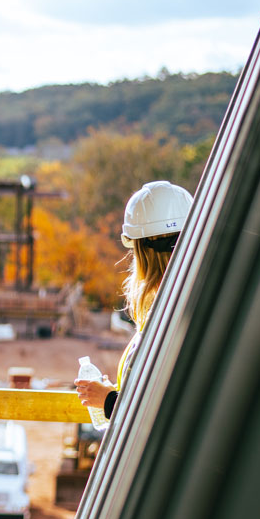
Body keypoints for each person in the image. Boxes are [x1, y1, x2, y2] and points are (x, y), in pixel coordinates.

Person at [75, 180, 192, 422]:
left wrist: (109, 401)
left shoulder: (176, 315)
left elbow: (168, 410)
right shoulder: (185, 304)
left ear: (142, 253)